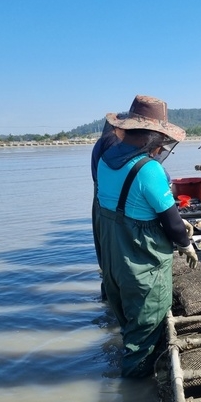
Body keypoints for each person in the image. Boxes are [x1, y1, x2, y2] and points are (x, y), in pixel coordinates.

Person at [96, 95, 198, 378]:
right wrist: (186, 244)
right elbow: (172, 222)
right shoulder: (149, 169)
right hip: (141, 261)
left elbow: (121, 206)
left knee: (127, 319)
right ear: (151, 137)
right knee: (146, 326)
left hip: (113, 257)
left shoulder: (106, 160)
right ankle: (133, 393)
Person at [91, 119, 124, 301]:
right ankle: (113, 296)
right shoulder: (112, 142)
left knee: (105, 249)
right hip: (109, 201)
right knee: (114, 250)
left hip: (100, 199)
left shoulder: (101, 142)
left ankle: (108, 297)